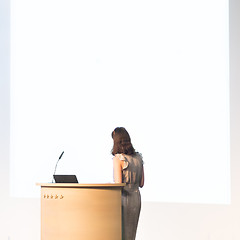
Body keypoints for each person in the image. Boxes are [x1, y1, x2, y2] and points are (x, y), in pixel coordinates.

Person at [112, 127, 144, 240]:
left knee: (122, 235)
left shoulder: (118, 159)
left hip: (124, 198)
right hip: (136, 198)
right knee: (131, 234)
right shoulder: (139, 158)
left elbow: (118, 184)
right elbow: (141, 183)